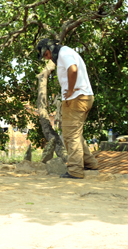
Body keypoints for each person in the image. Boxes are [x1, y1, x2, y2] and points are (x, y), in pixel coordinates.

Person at [36, 39, 98, 179]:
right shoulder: (66, 52)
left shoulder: (64, 53)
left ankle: (75, 170)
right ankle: (90, 163)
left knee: (71, 135)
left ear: (50, 48)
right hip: (80, 97)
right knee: (75, 133)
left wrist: (70, 91)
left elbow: (73, 69)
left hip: (76, 99)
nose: (48, 58)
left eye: (46, 54)